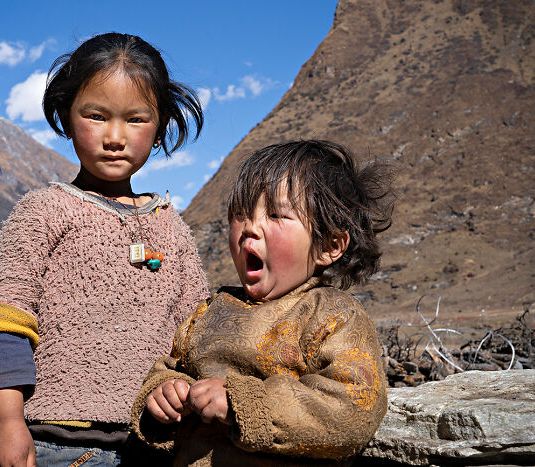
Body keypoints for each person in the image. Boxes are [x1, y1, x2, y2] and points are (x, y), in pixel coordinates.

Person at [0, 32, 209, 467]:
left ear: (159, 128)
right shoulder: (44, 211)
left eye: (136, 119)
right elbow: (7, 319)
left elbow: (194, 332)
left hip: (152, 445)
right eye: (96, 116)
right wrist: (7, 423)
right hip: (56, 445)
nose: (115, 136)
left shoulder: (170, 227)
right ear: (66, 116)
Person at [131, 140, 395, 466]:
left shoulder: (332, 315)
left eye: (275, 215)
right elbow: (171, 369)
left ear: (330, 245)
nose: (250, 228)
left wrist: (240, 403)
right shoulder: (211, 310)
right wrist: (165, 393)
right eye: (240, 215)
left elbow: (353, 407)